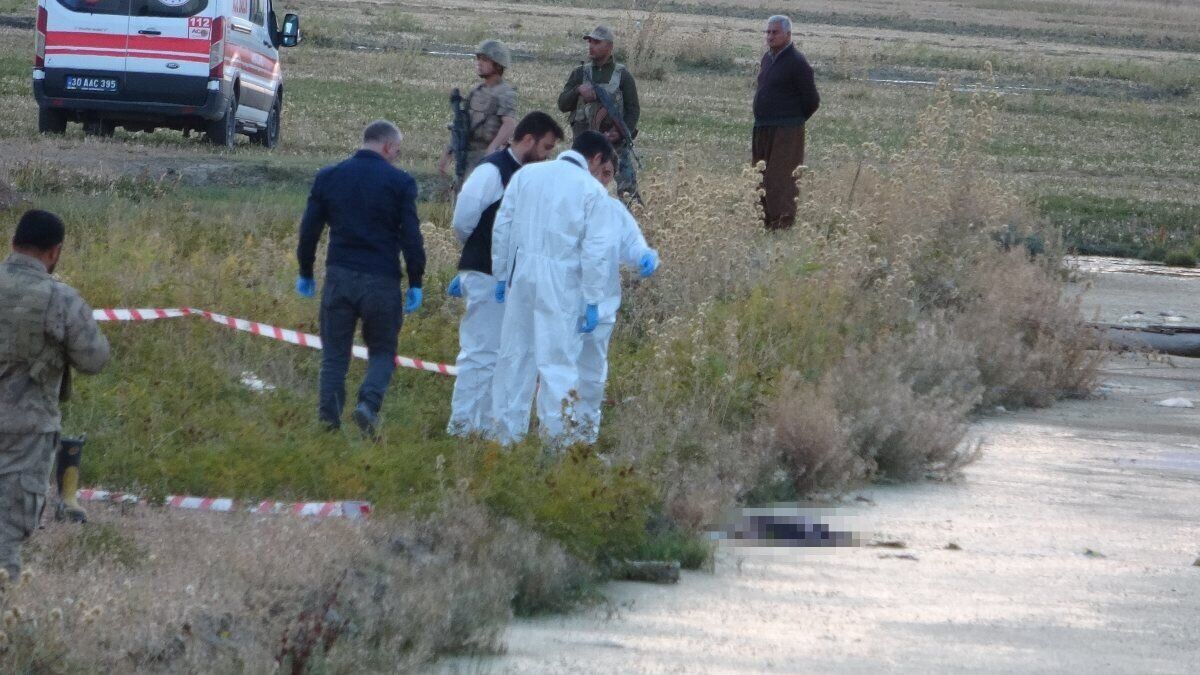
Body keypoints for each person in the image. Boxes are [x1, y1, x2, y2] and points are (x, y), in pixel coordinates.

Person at [296, 120, 426, 438]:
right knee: (382, 350)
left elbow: (309, 230)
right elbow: (411, 237)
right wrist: (416, 281)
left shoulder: (329, 176)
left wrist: (306, 271)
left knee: (334, 355)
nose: (397, 156)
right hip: (381, 280)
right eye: (397, 150)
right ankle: (368, 404)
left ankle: (328, 425)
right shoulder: (400, 182)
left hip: (339, 276)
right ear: (387, 147)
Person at [0, 209, 110, 578]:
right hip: (25, 432)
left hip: (25, 429)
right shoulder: (60, 299)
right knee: (5, 532)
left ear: (13, 243)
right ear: (54, 252)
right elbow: (94, 359)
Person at [489, 131, 616, 446]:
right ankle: (556, 444)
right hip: (563, 282)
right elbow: (595, 252)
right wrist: (593, 298)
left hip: (523, 275)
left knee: (515, 356)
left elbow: (503, 226)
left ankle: (504, 438)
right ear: (596, 158)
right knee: (558, 364)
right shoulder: (592, 192)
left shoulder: (527, 175)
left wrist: (502, 274)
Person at [445, 111, 565, 437]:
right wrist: (478, 255)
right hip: (486, 272)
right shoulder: (492, 171)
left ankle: (484, 427)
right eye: (546, 147)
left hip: (506, 279)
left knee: (498, 355)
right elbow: (463, 220)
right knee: (480, 352)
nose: (547, 156)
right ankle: (463, 426)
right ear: (527, 139)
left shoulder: (526, 176)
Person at [576, 158, 659, 443]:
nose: (602, 179)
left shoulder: (613, 211)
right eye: (596, 172)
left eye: (608, 173)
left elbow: (631, 242)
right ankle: (555, 440)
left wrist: (644, 256)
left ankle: (584, 441)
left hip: (601, 309)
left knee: (592, 377)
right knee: (559, 375)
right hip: (563, 307)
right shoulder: (563, 207)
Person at [557, 26, 641, 201]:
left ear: (609, 46)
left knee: (629, 193)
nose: (591, 46)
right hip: (584, 145)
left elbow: (633, 109)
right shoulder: (580, 73)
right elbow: (562, 104)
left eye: (596, 42)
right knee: (574, 191)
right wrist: (578, 91)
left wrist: (620, 132)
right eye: (590, 41)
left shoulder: (623, 76)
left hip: (615, 145)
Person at [752, 15, 820, 230]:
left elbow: (812, 100)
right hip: (763, 127)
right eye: (768, 32)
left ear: (788, 34)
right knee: (760, 176)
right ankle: (765, 223)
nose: (770, 36)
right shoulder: (767, 58)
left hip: (786, 130)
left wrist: (792, 121)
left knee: (780, 177)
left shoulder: (797, 62)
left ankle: (782, 225)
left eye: (775, 32)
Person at [438, 40, 518, 182]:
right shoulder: (476, 91)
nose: (479, 63)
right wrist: (448, 151)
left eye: (485, 60)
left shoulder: (504, 93)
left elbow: (509, 124)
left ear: (498, 64)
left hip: (487, 155)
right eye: (478, 59)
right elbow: (461, 125)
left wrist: (492, 149)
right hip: (467, 154)